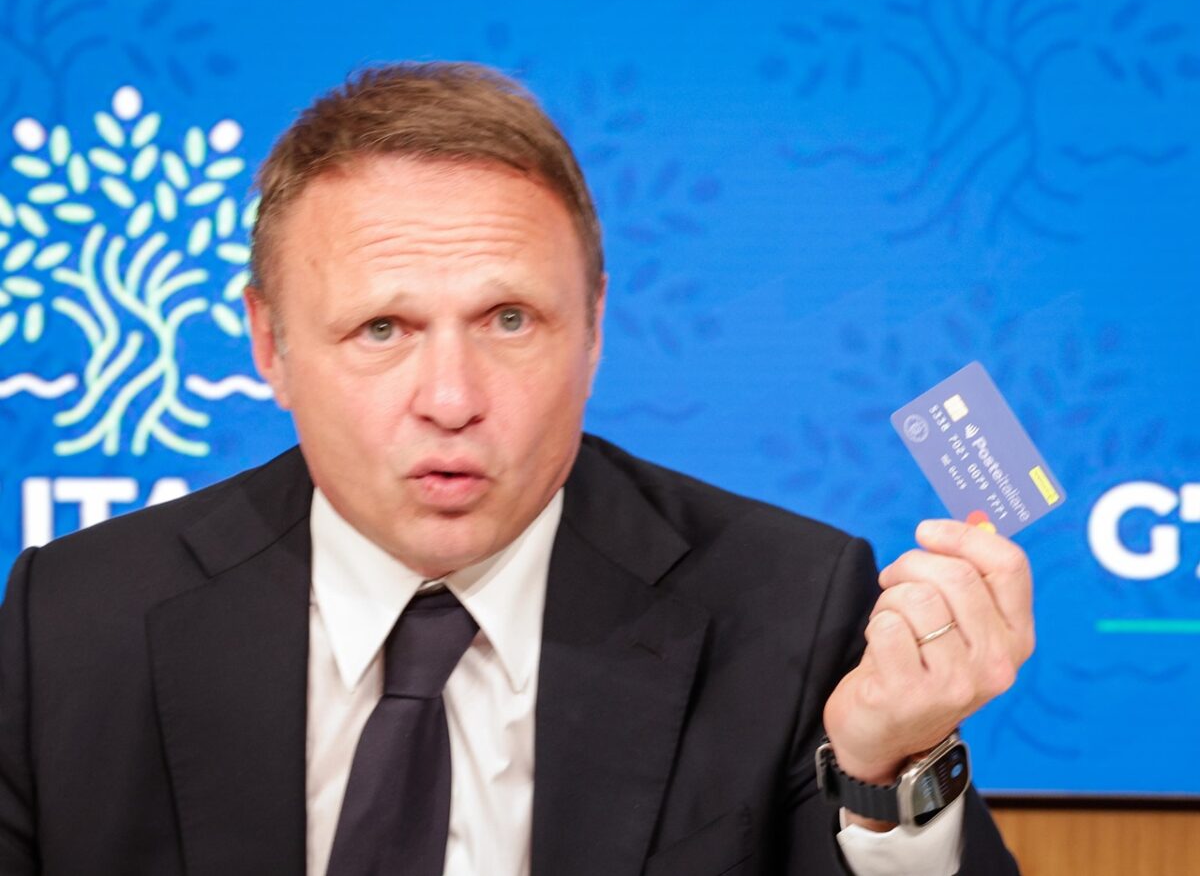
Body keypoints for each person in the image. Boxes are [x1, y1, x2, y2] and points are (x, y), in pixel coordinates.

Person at [0, 63, 1031, 875]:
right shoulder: (77, 621)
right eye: (382, 328)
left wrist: (884, 772)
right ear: (269, 344)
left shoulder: (787, 603)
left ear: (593, 328)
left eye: (508, 319)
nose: (451, 398)